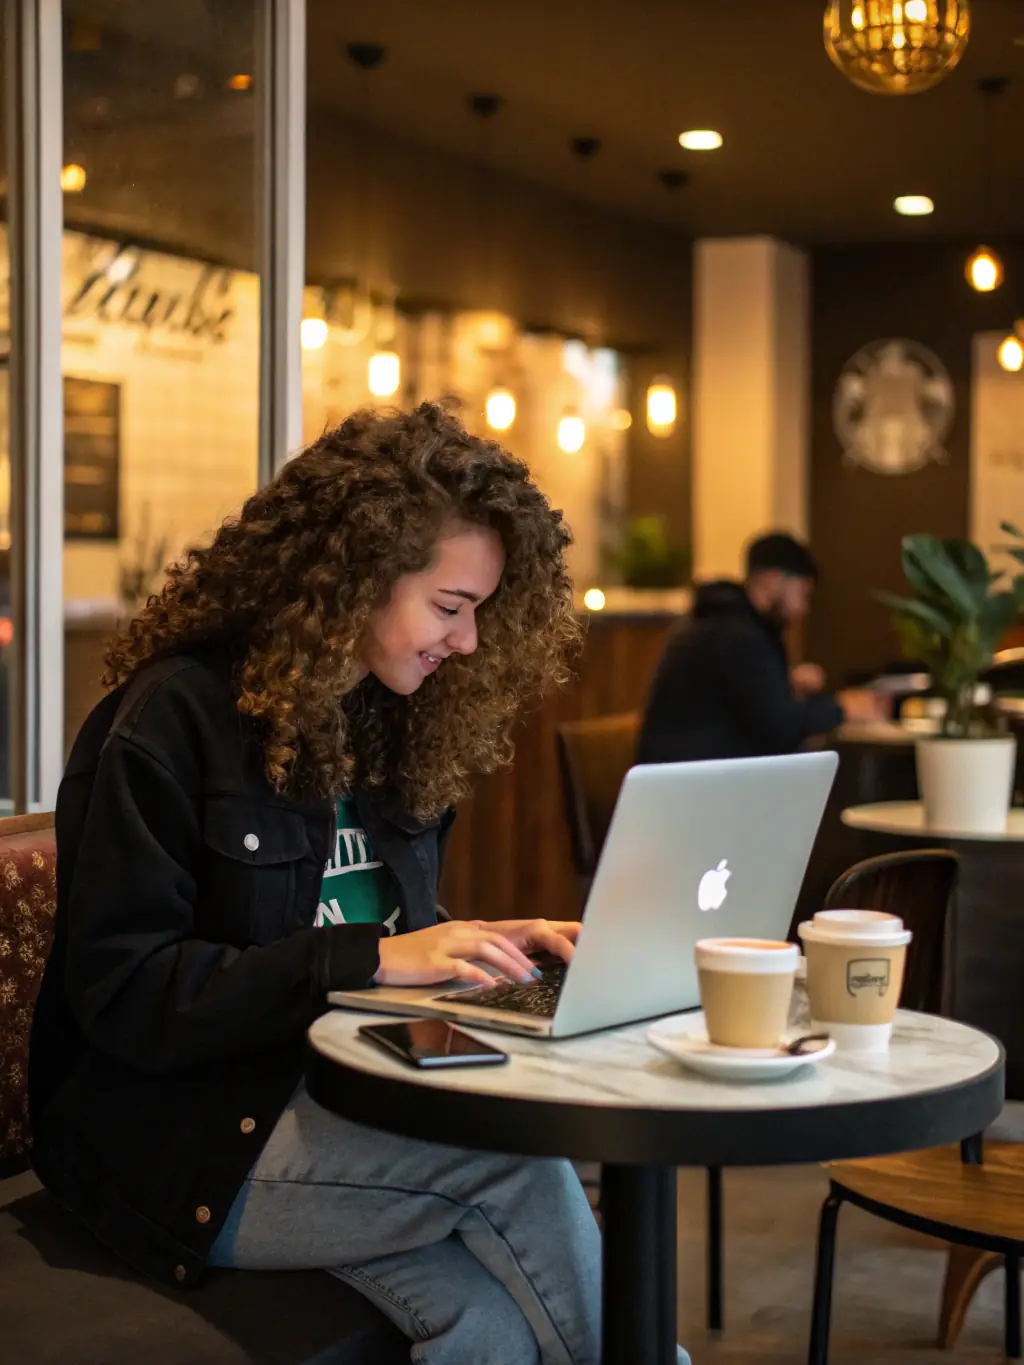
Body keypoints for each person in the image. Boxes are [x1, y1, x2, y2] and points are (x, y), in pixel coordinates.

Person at [29, 403, 689, 1365]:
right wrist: (373, 958)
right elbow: (130, 995)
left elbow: (372, 931)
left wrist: (478, 942)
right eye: (451, 608)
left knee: (490, 1325)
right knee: (521, 1171)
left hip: (344, 1112)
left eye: (479, 615)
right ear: (353, 580)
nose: (465, 643)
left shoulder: (389, 723)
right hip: (180, 1143)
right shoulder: (171, 723)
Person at [637, 531, 845, 765]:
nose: (803, 609)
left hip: (685, 774)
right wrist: (842, 708)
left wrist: (785, 683)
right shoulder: (737, 636)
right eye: (802, 594)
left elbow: (746, 703)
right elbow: (779, 728)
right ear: (773, 581)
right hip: (692, 785)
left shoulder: (721, 622)